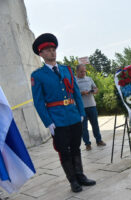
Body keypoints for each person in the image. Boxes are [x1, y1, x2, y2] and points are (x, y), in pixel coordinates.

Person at [31, 33, 96, 193]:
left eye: (53, 49)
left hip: (73, 116)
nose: (52, 52)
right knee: (64, 151)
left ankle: (80, 175)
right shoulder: (37, 76)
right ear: (41, 54)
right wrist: (49, 123)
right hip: (57, 120)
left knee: (76, 147)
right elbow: (39, 103)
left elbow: (76, 94)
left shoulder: (66, 70)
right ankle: (73, 180)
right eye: (47, 50)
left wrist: (81, 113)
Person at [75, 64, 106, 151]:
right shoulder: (74, 80)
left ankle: (99, 140)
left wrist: (94, 91)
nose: (83, 73)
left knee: (95, 125)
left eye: (84, 71)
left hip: (92, 105)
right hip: (81, 108)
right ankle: (87, 144)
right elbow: (73, 93)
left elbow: (96, 88)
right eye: (81, 71)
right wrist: (82, 93)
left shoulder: (89, 79)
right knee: (84, 127)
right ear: (76, 71)